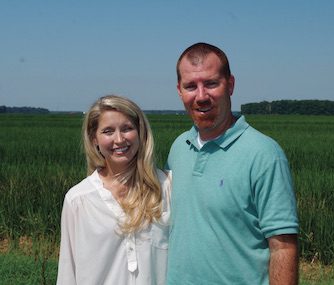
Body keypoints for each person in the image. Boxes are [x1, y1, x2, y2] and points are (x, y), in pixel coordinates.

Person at [165, 42, 299, 285]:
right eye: (191, 86)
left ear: (231, 84)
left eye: (211, 83)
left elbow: (283, 248)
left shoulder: (264, 154)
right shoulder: (178, 148)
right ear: (179, 90)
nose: (201, 96)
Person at [57, 95, 171, 285]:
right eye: (108, 131)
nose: (119, 139)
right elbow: (68, 273)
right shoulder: (78, 200)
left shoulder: (167, 187)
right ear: (95, 139)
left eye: (127, 128)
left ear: (140, 132)